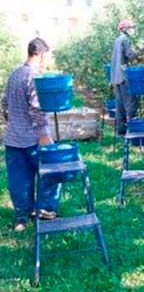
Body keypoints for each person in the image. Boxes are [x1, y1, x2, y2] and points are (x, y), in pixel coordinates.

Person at [2, 38, 61, 232]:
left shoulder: (15, 73)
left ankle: (22, 216)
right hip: (33, 137)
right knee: (52, 170)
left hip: (13, 138)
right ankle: (45, 210)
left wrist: (11, 122)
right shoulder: (35, 76)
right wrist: (44, 133)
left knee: (19, 178)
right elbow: (37, 108)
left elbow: (4, 103)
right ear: (41, 54)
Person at [110, 19, 140, 136]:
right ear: (125, 29)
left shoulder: (117, 40)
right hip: (125, 76)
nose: (133, 30)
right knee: (131, 103)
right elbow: (130, 54)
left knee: (120, 104)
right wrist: (141, 51)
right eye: (131, 27)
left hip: (116, 77)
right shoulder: (126, 39)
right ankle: (133, 129)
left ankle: (121, 129)